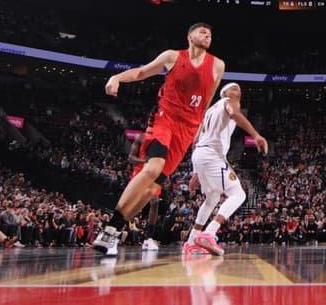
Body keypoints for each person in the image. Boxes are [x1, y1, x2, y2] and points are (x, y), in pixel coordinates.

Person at [92, 22, 225, 256]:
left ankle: (114, 229)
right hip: (165, 118)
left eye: (210, 33)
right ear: (190, 36)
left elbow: (207, 100)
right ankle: (111, 226)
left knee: (151, 190)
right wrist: (117, 77)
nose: (208, 35)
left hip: (188, 128)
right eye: (203, 31)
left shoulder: (217, 65)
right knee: (153, 168)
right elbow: (142, 72)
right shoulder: (172, 56)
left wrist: (199, 131)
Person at [184, 82, 268, 256]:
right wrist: (256, 135)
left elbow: (195, 141)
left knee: (212, 198)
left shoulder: (209, 111)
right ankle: (210, 232)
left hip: (200, 154)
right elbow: (236, 115)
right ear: (224, 93)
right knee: (239, 194)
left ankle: (191, 241)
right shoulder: (229, 102)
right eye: (233, 87)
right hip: (212, 155)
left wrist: (196, 172)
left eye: (240, 89)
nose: (238, 90)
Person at [127, 128, 162, 251]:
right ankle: (115, 233)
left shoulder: (163, 138)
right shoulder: (140, 137)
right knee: (131, 204)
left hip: (154, 173)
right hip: (140, 171)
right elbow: (131, 158)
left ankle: (148, 238)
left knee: (155, 202)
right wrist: (144, 161)